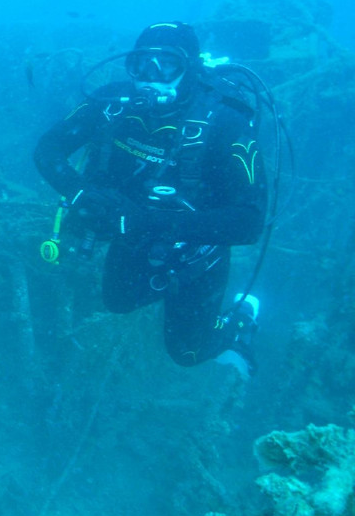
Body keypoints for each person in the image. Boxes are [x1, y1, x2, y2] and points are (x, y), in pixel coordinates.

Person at [33, 22, 267, 376]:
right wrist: (81, 194)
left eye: (167, 65)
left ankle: (240, 320)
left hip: (197, 247)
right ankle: (167, 284)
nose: (150, 76)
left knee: (187, 351)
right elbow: (48, 149)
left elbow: (249, 222)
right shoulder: (112, 105)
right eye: (141, 64)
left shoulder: (226, 123)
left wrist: (144, 221)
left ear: (190, 69)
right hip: (132, 230)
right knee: (117, 301)